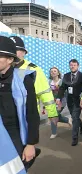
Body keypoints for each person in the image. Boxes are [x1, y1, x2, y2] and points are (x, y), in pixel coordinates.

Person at [0, 36, 40, 172]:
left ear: (10, 59)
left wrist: (31, 144)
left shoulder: (24, 79)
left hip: (15, 135)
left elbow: (32, 114)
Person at [11, 36, 59, 122]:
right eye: (10, 49)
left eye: (16, 50)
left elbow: (45, 92)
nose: (13, 52)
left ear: (24, 53)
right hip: (8, 115)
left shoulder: (33, 69)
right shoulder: (3, 68)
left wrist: (52, 113)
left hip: (29, 116)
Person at [56, 59, 82, 146]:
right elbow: (62, 88)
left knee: (74, 117)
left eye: (74, 65)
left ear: (78, 66)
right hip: (69, 100)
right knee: (75, 117)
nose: (72, 66)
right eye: (71, 65)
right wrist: (59, 98)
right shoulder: (66, 76)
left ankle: (74, 138)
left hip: (78, 100)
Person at [48, 67, 72, 139]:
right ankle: (67, 120)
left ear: (58, 73)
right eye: (51, 71)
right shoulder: (49, 82)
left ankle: (54, 132)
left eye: (55, 71)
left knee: (54, 115)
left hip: (61, 101)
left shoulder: (62, 81)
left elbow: (67, 91)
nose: (53, 72)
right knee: (56, 115)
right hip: (52, 101)